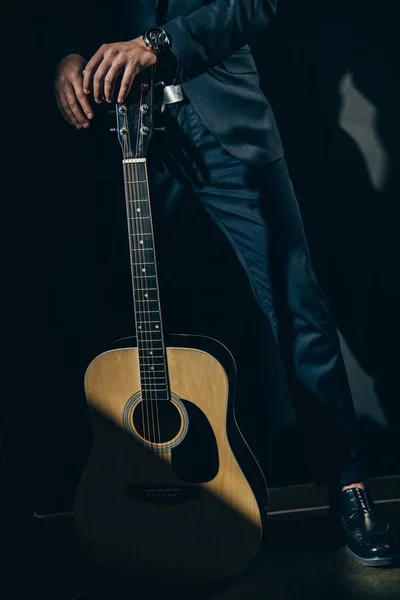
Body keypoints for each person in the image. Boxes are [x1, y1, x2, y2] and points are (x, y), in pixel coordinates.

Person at [46, 0, 398, 567]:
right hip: (113, 128)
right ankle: (116, 502)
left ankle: (348, 488)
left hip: (223, 127)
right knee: (109, 319)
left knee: (298, 307)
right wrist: (62, 56)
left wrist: (157, 44)